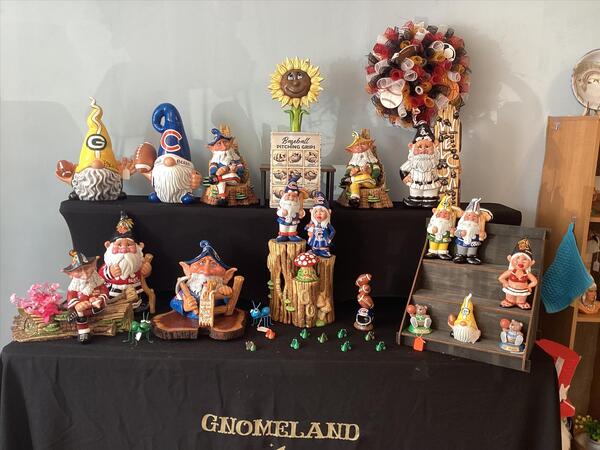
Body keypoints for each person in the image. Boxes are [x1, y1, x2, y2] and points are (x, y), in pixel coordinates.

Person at [99, 211, 152, 312]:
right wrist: (110, 272)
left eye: (129, 245)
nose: (124, 250)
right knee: (115, 302)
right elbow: (101, 275)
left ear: (140, 247)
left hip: (134, 288)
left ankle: (135, 308)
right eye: (119, 245)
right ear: (108, 246)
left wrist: (147, 270)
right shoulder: (108, 264)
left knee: (135, 300)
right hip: (114, 290)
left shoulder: (137, 262)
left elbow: (144, 274)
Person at [170, 241, 237, 320]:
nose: (206, 272)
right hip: (192, 318)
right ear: (187, 270)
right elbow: (173, 303)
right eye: (201, 263)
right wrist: (184, 306)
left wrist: (226, 293)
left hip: (217, 318)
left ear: (227, 276)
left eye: (213, 264)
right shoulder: (187, 291)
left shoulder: (220, 289)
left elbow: (230, 303)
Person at [62, 250, 108, 344]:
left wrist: (100, 298)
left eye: (87, 268)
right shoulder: (74, 285)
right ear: (70, 274)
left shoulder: (96, 278)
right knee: (80, 313)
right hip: (83, 308)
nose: (84, 273)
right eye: (79, 270)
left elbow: (104, 290)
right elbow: (71, 296)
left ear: (93, 266)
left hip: (97, 306)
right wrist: (78, 304)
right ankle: (83, 331)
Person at [399, 122, 441, 208]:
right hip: (415, 185)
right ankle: (414, 201)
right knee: (415, 198)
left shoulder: (435, 161)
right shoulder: (412, 162)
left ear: (435, 146)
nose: (423, 150)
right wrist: (405, 177)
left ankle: (430, 201)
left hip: (431, 185)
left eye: (427, 147)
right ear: (411, 147)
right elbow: (402, 169)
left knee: (430, 200)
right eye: (419, 147)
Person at [339, 129, 382, 208]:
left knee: (364, 177)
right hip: (359, 182)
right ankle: (355, 199)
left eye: (362, 145)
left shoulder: (372, 162)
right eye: (357, 146)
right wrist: (350, 173)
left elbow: (377, 171)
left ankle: (350, 180)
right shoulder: (354, 163)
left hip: (370, 181)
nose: (360, 148)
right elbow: (348, 171)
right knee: (354, 185)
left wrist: (369, 172)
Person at [205, 126, 246, 206]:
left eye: (225, 142)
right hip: (222, 178)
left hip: (233, 179)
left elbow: (241, 169)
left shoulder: (234, 157)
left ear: (230, 142)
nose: (223, 146)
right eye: (219, 143)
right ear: (213, 147)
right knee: (221, 182)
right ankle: (222, 199)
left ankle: (217, 180)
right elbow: (212, 169)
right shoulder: (216, 159)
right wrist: (216, 172)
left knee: (231, 176)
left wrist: (235, 169)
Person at [498, 238, 538, 310]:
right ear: (510, 259)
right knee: (510, 298)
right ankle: (510, 301)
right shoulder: (511, 271)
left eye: (525, 259)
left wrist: (529, 286)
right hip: (510, 289)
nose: (520, 262)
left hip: (523, 291)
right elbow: (501, 278)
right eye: (517, 258)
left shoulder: (527, 273)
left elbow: (535, 281)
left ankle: (521, 303)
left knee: (521, 299)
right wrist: (505, 282)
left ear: (531, 263)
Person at [453, 198, 493, 265]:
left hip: (473, 242)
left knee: (472, 250)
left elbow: (482, 235)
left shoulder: (477, 227)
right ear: (465, 216)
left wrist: (483, 234)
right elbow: (456, 233)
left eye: (474, 216)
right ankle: (460, 256)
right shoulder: (461, 225)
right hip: (462, 242)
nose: (471, 218)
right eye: (469, 215)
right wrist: (460, 233)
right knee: (462, 250)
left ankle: (471, 257)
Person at [425, 195, 458, 260]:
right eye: (440, 213)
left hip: (444, 237)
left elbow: (452, 233)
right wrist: (432, 230)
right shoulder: (433, 221)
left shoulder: (449, 223)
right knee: (433, 243)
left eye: (446, 213)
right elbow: (429, 228)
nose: (443, 215)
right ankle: (432, 251)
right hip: (434, 237)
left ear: (450, 215)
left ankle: (442, 253)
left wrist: (452, 231)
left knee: (444, 244)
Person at [276, 176, 306, 242]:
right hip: (284, 219)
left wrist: (302, 213)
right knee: (283, 227)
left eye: (294, 196)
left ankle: (292, 235)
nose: (291, 198)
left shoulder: (298, 204)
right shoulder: (282, 203)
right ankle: (283, 235)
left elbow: (300, 210)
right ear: (284, 194)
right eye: (289, 195)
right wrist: (282, 212)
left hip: (294, 219)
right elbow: (278, 210)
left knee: (293, 227)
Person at [306, 192, 335, 257]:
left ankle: (323, 251)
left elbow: (333, 231)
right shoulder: (313, 224)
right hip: (315, 238)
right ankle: (315, 250)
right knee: (315, 245)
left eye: (321, 211)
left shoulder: (326, 224)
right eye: (316, 211)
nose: (318, 214)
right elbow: (306, 228)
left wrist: (329, 238)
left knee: (323, 246)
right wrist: (309, 228)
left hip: (324, 239)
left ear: (328, 213)